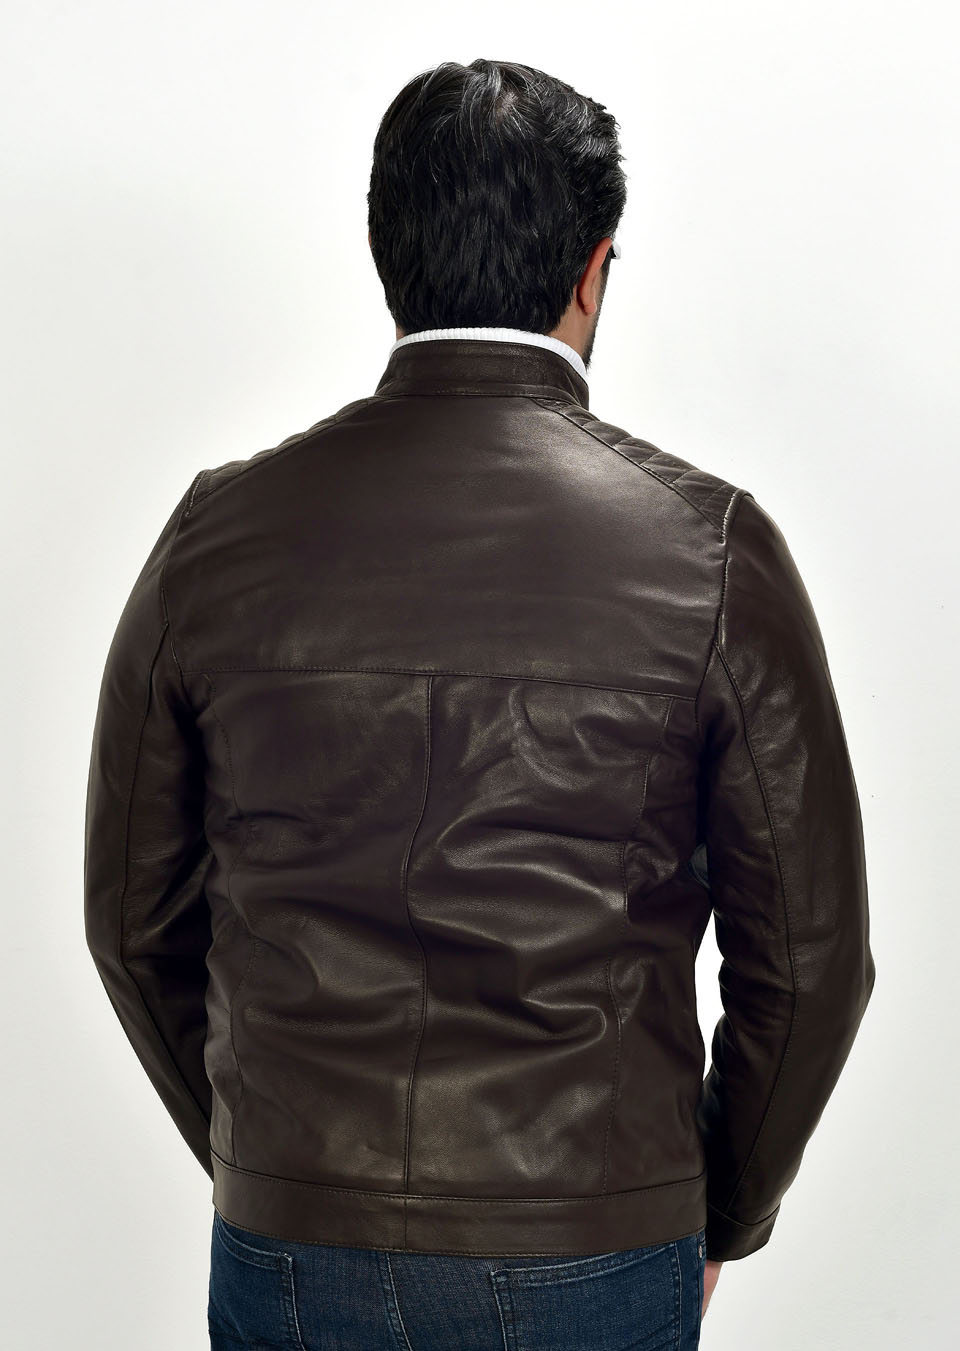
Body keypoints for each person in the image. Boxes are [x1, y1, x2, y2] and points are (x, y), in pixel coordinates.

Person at [83, 58, 876, 1351]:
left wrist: (272, 1160)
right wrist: (717, 1215)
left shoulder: (215, 539)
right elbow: (814, 960)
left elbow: (132, 924)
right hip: (593, 1248)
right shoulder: (713, 553)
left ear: (389, 254)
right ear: (593, 271)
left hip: (292, 1244)